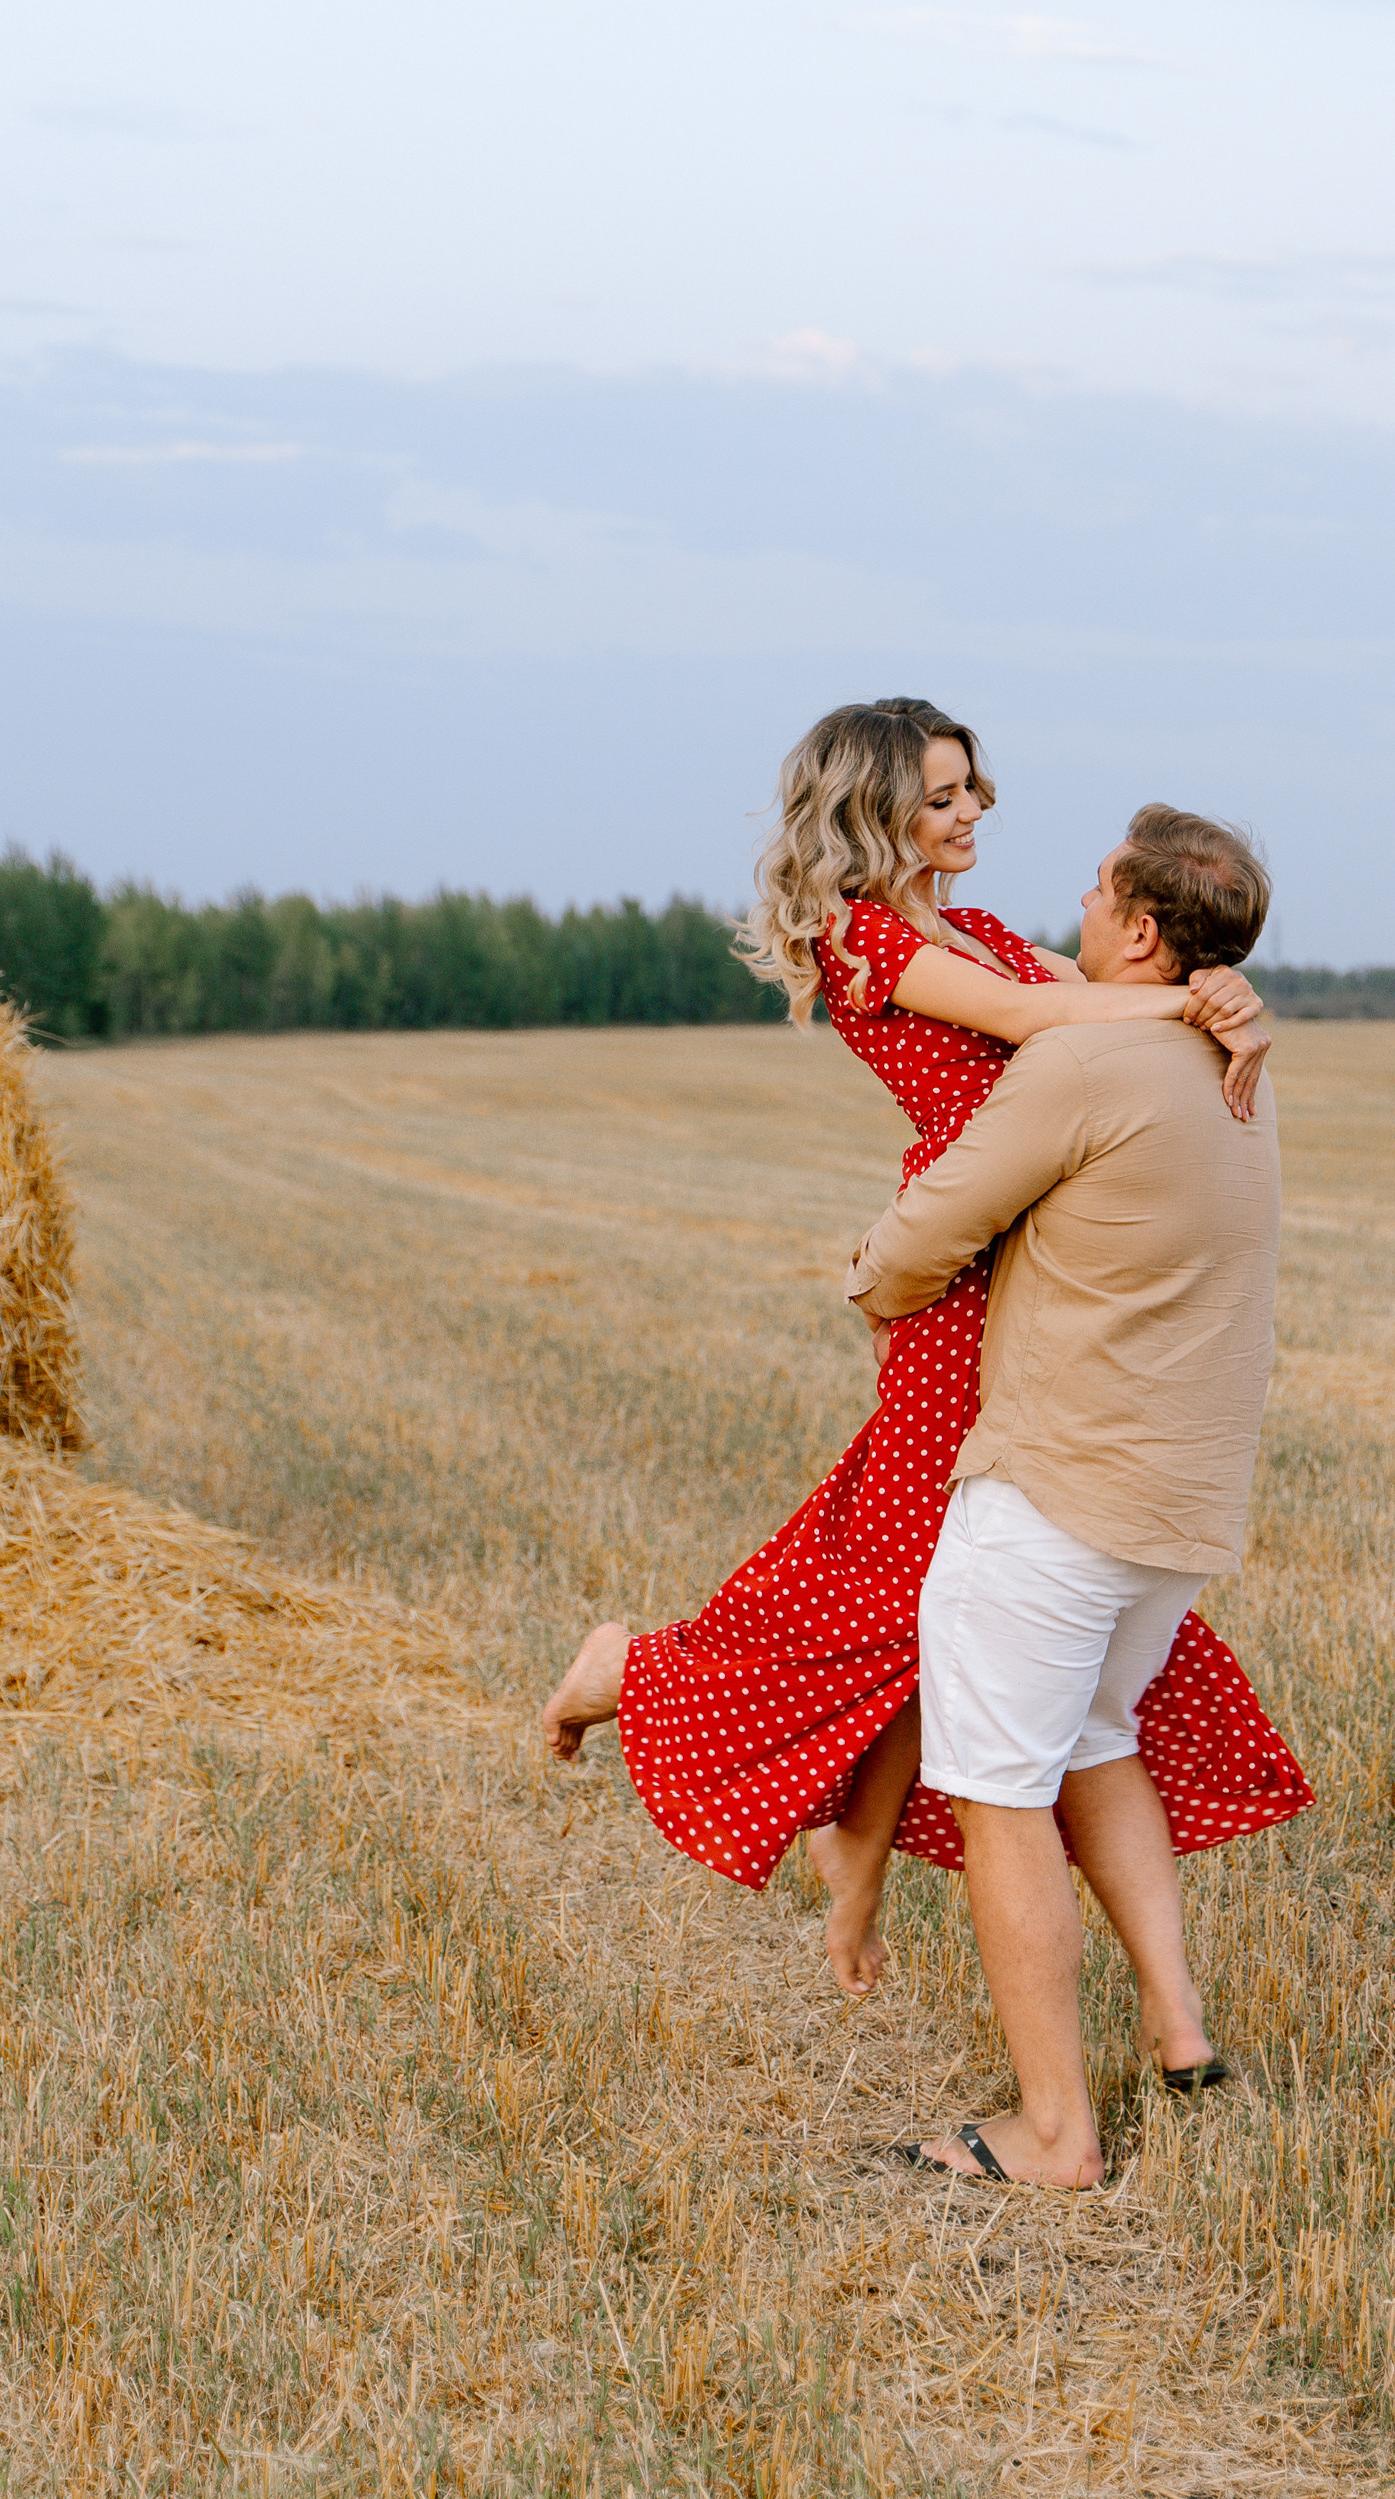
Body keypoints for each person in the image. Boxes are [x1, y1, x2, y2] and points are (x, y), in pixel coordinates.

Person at [540, 701, 1311, 1986]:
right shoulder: (869, 938)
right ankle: (634, 1671)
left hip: (1021, 1268)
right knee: (895, 1584)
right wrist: (1195, 1007)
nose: (971, 815)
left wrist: (1207, 989)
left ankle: (859, 1842)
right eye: (941, 797)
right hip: (958, 1284)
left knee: (933, 1603)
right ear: (870, 810)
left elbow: (1091, 996)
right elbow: (1048, 1025)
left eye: (972, 792)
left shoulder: (989, 932)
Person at [843, 811, 1286, 2188]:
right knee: (1098, 1736)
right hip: (1181, 1506)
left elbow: (932, 1234)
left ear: (1143, 933)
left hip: (1054, 1490)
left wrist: (871, 1280)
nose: (1077, 901)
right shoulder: (1238, 1062)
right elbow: (1034, 975)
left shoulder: (1081, 1058)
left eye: (1098, 889)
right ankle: (1177, 2031)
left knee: (995, 1791)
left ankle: (1051, 2130)